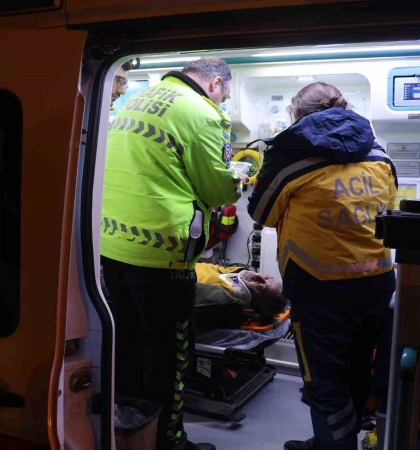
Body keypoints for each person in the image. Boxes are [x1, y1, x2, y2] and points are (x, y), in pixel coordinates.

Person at [100, 56, 242, 450]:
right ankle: (169, 441)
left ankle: (131, 434)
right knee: (170, 357)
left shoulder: (134, 100)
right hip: (162, 254)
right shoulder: (204, 114)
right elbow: (219, 190)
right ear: (215, 83)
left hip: (112, 246)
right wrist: (238, 177)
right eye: (224, 94)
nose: (222, 101)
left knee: (127, 346)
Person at [247, 81, 398, 450]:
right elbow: (388, 212)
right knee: (359, 368)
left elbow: (261, 213)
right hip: (377, 283)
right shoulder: (379, 154)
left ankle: (334, 445)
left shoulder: (290, 157)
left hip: (319, 288)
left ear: (298, 114)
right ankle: (334, 440)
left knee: (324, 380)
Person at [194, 262, 287, 328]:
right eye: (267, 277)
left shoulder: (223, 297)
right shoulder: (236, 273)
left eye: (261, 286)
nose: (258, 275)